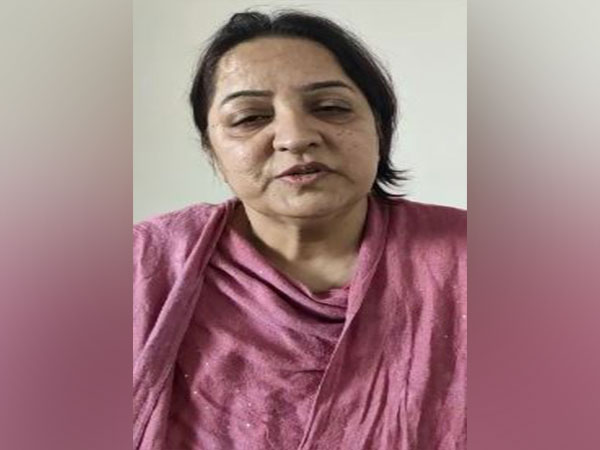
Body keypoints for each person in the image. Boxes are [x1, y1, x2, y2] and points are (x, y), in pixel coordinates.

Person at [133, 10, 466, 450]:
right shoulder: (141, 266)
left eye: (330, 108)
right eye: (250, 117)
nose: (294, 137)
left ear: (380, 128)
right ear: (212, 150)